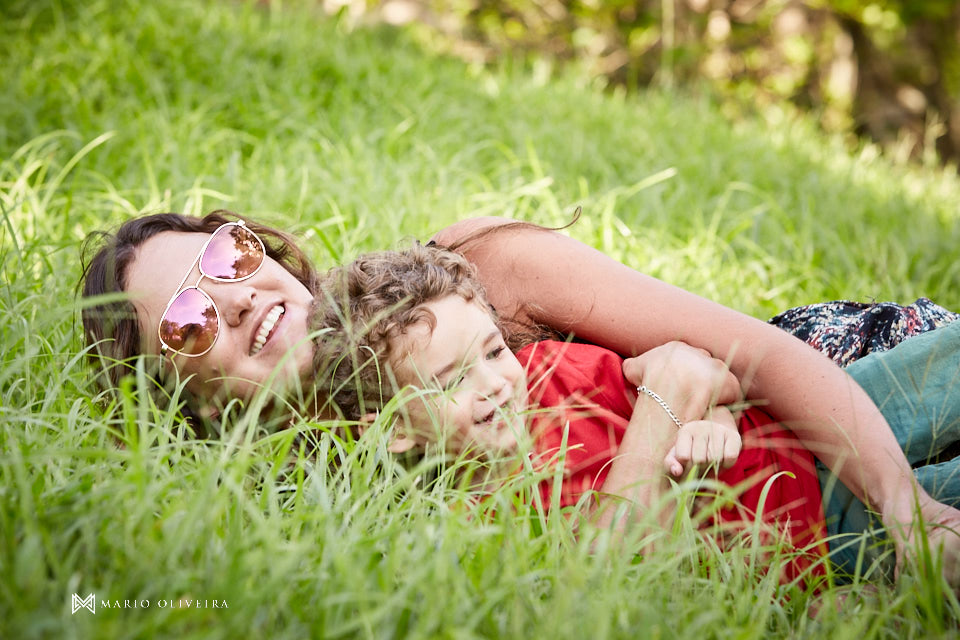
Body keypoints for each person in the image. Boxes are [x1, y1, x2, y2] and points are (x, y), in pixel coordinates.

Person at [79, 210, 960, 584]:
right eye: (189, 319)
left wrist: (904, 506)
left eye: (228, 255)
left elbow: (752, 353)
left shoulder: (466, 277)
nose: (234, 296)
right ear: (180, 400)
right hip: (787, 527)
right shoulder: (315, 515)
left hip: (837, 385)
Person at [312, 243, 832, 584]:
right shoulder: (476, 533)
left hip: (812, 453)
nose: (494, 384)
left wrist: (712, 421)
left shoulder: (556, 375)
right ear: (396, 427)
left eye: (494, 353)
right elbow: (626, 588)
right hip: (820, 562)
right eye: (452, 380)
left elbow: (712, 376)